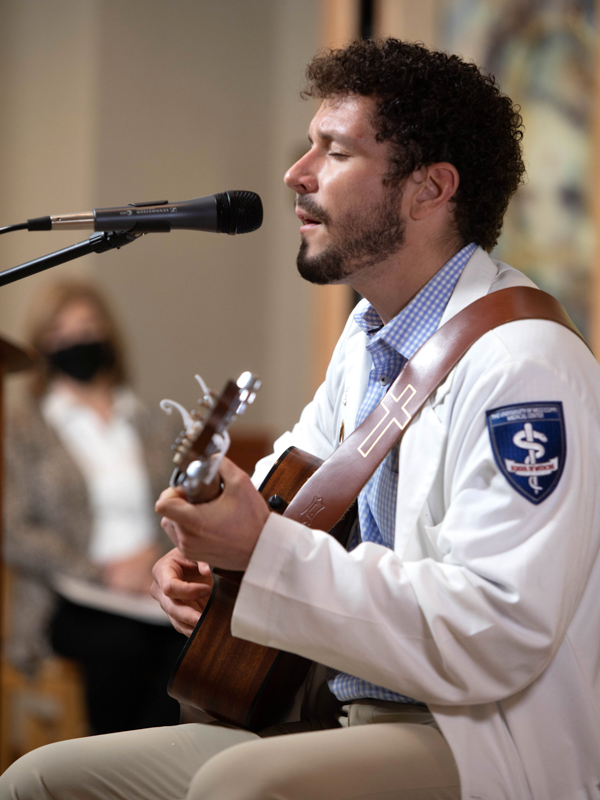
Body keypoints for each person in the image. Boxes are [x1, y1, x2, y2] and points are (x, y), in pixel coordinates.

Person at [2, 37, 600, 800]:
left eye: (334, 150)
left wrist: (266, 552)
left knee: (239, 788)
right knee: (41, 780)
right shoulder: (368, 341)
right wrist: (206, 559)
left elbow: (497, 631)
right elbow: (287, 498)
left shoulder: (526, 367)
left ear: (429, 189)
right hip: (330, 709)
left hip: (479, 735)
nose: (296, 173)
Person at [3, 280, 185, 736]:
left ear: (109, 335)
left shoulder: (151, 423)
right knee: (121, 650)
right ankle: (110, 775)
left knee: (193, 652)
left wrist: (153, 560)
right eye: (60, 333)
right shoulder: (25, 428)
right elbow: (14, 530)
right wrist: (99, 571)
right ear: (43, 346)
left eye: (87, 327)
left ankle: (145, 775)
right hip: (66, 594)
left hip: (149, 588)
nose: (76, 341)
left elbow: (179, 502)